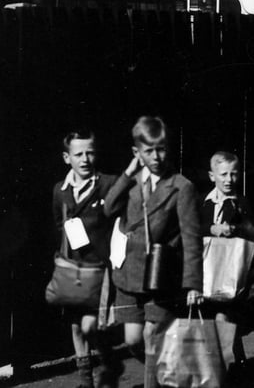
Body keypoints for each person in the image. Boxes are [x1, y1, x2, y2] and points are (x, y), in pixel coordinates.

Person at [104, 116, 203, 388]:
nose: (157, 157)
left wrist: (193, 284)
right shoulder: (131, 182)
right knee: (134, 339)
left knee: (152, 337)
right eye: (149, 151)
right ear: (137, 152)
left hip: (162, 276)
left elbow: (192, 238)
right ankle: (168, 374)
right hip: (130, 276)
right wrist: (126, 174)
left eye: (161, 149)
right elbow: (109, 209)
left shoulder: (181, 186)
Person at [53, 130, 118, 388]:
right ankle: (85, 380)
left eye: (89, 152)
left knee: (96, 325)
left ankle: (109, 373)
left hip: (101, 266)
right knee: (76, 325)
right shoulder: (60, 190)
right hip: (73, 268)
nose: (85, 159)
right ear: (67, 158)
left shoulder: (107, 184)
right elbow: (59, 224)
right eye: (78, 154)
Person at [200, 151, 254, 370]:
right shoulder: (204, 204)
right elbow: (193, 230)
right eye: (223, 174)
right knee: (218, 324)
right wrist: (212, 229)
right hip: (208, 276)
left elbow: (253, 237)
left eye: (233, 174)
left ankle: (226, 370)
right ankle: (237, 362)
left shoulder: (241, 204)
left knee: (223, 320)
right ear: (211, 175)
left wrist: (236, 229)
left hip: (232, 278)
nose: (229, 180)